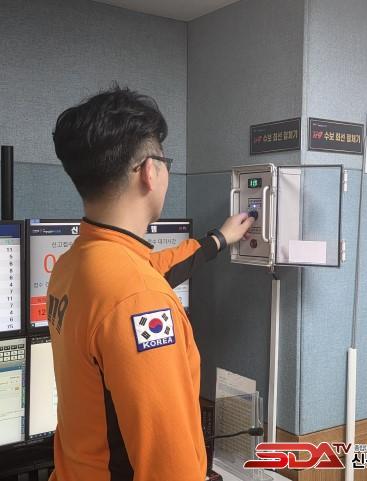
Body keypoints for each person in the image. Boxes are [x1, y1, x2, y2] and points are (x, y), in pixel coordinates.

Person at [48, 86, 254, 481]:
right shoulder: (139, 300)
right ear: (149, 171)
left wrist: (217, 240)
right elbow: (170, 465)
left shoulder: (72, 264)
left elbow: (151, 268)